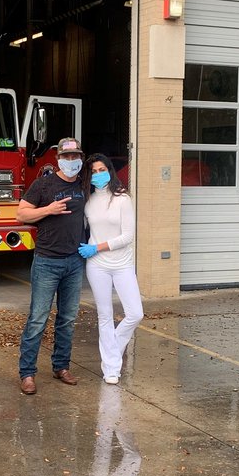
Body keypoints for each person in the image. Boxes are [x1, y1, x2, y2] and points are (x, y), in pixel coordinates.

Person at [15, 136, 88, 395]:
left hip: (74, 262)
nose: (72, 161)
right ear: (57, 158)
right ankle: (27, 373)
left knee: (67, 319)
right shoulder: (43, 184)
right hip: (47, 261)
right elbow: (21, 214)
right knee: (37, 319)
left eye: (76, 156)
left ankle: (61, 367)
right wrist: (49, 209)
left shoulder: (83, 185)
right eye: (67, 156)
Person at [78, 154, 143, 385]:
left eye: (101, 169)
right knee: (104, 316)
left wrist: (98, 247)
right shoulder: (87, 201)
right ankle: (111, 369)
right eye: (93, 172)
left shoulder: (123, 199)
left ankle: (112, 348)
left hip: (122, 263)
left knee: (136, 313)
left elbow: (128, 236)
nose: (98, 174)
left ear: (110, 170)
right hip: (97, 266)